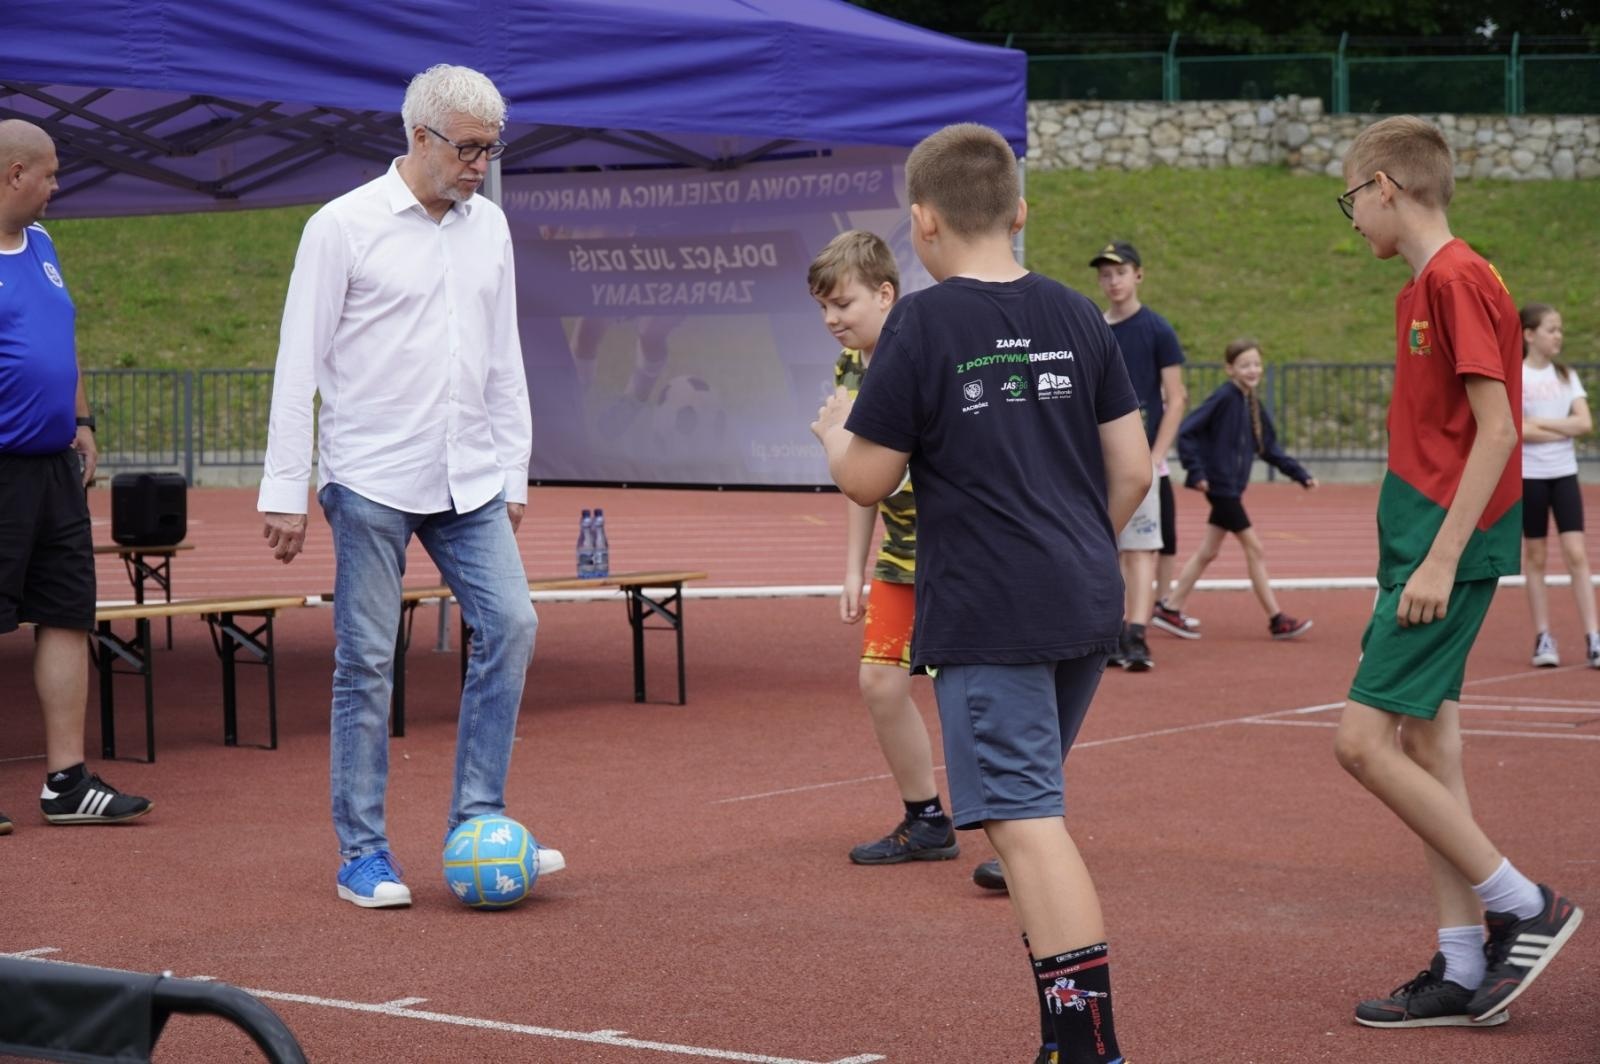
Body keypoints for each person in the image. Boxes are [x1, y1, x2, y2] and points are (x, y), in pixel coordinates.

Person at [812, 122, 1148, 1064]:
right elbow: (1130, 469)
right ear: (1020, 212)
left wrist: (834, 433)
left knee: (1028, 826)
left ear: (922, 222)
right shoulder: (1080, 314)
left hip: (992, 608)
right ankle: (1064, 1041)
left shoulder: (920, 324)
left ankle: (1087, 1046)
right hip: (1083, 596)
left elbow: (868, 478)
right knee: (1022, 817)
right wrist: (1073, 546)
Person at [258, 65, 561, 908]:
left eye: (492, 149)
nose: (480, 165)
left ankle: (479, 824)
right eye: (468, 148)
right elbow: (298, 360)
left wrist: (512, 470)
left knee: (513, 625)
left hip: (469, 476)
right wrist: (284, 487)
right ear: (419, 137)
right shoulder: (340, 226)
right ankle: (362, 854)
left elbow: (503, 354)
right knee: (365, 661)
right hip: (371, 476)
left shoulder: (489, 226)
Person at [1331, 115, 1582, 1029]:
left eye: (1351, 199)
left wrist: (1438, 560)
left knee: (1360, 744)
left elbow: (1500, 430)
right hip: (1418, 540)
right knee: (1431, 750)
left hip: (1444, 548)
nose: (1352, 218)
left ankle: (1527, 905)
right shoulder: (1423, 288)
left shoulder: (1457, 277)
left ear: (1385, 187)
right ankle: (1463, 962)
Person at [0, 119, 152, 836]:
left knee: (66, 613)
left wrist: (82, 419)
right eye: (51, 173)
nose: (58, 186)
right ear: (15, 174)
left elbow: (61, 339)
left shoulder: (44, 245)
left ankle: (66, 782)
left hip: (55, 469)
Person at [808, 230, 957, 866]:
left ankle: (1021, 831)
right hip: (901, 557)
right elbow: (858, 472)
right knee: (879, 682)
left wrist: (835, 439)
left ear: (885, 295)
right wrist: (854, 569)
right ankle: (926, 820)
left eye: (842, 303)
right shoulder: (848, 369)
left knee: (971, 692)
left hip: (957, 554)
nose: (831, 318)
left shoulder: (922, 354)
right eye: (823, 306)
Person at [1157, 338, 1316, 640]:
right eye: (1245, 365)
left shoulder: (1251, 403)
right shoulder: (1224, 398)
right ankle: (1276, 619)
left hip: (1231, 487)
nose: (1252, 370)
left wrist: (1300, 474)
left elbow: (1268, 447)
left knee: (1208, 552)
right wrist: (1196, 471)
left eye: (1256, 364)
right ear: (1230, 369)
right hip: (1221, 487)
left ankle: (1170, 607)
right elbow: (1187, 431)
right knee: (1255, 548)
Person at [1091, 241, 1190, 670]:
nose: (1113, 281)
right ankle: (1110, 630)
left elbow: (1176, 397)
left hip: (1140, 458)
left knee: (1139, 549)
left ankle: (1136, 633)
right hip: (1097, 459)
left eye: (1120, 272)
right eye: (1105, 274)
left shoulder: (1157, 329)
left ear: (1138, 275)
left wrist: (1156, 455)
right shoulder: (1094, 327)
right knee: (1103, 546)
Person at [1517, 302, 1598, 669]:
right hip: (1530, 476)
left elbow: (1584, 424)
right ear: (1529, 334)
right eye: (1551, 329)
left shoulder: (1566, 376)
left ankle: (1593, 635)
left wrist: (1541, 425)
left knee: (1576, 554)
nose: (1558, 336)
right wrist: (1561, 427)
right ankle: (1543, 636)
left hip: (1564, 474)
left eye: (1560, 329)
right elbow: (1518, 429)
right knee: (1535, 556)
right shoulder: (1518, 376)